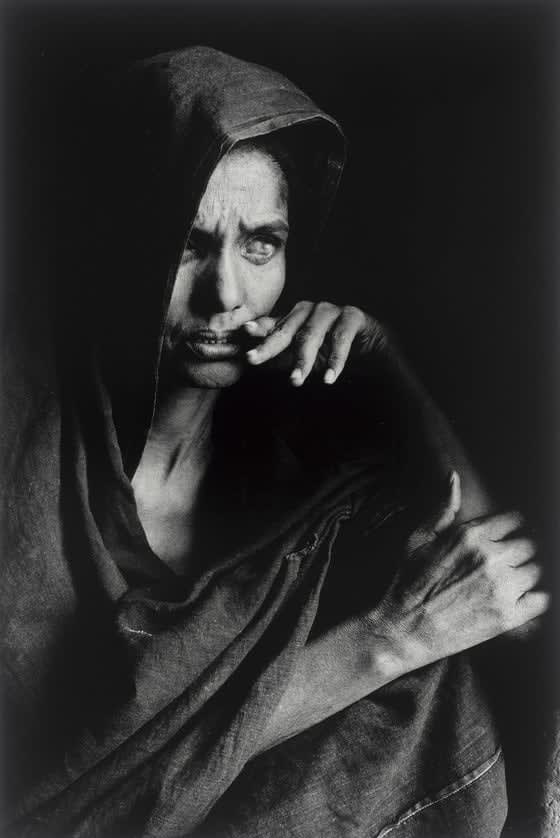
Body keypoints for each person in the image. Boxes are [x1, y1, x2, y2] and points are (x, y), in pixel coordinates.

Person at [0, 46, 549, 837]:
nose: (226, 291)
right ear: (115, 244)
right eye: (187, 245)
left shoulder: (304, 448)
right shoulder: (26, 467)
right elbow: (55, 809)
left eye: (261, 243)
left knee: (426, 700)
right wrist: (384, 642)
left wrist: (388, 365)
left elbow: (506, 605)